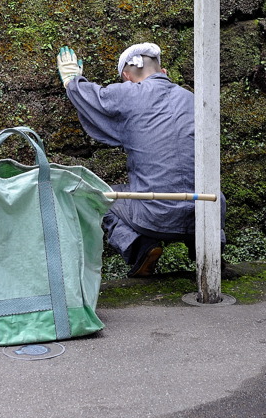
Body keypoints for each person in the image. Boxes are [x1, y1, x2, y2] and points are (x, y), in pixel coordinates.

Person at [57, 41, 225, 276]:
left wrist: (71, 80)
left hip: (156, 215)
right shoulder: (193, 100)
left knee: (96, 197)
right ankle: (208, 249)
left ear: (127, 76)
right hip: (208, 210)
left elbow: (92, 99)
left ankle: (140, 247)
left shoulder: (128, 93)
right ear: (163, 72)